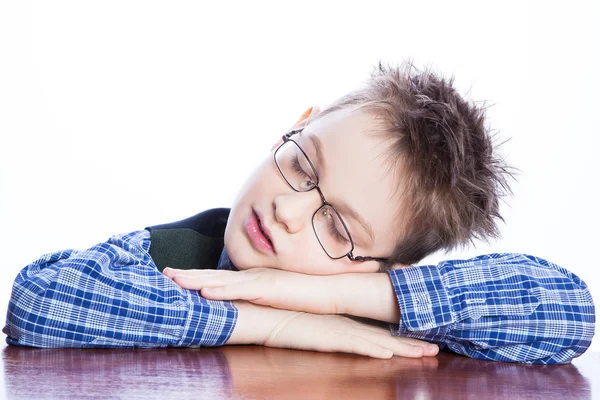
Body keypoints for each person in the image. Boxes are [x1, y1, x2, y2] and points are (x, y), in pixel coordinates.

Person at [3, 63, 595, 364]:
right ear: (298, 124)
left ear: (383, 266)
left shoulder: (388, 310)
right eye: (302, 164)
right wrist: (274, 322)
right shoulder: (177, 255)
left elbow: (567, 312)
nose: (287, 209)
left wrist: (346, 302)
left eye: (337, 227)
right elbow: (36, 301)